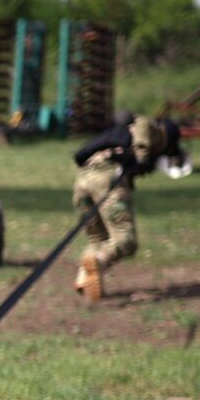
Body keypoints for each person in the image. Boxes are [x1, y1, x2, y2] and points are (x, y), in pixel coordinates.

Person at [71, 111, 183, 302]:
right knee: (126, 239)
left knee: (97, 238)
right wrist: (141, 156)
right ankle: (98, 262)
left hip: (82, 182)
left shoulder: (118, 136)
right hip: (107, 179)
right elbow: (142, 125)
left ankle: (84, 276)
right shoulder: (150, 129)